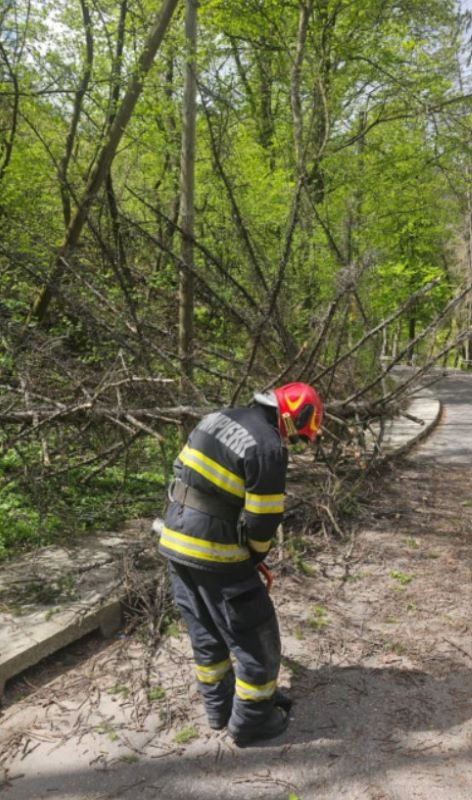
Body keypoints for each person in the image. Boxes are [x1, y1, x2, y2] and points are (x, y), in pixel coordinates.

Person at [157, 381, 323, 747]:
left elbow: (181, 469)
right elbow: (263, 521)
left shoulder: (217, 418)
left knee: (207, 636)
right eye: (298, 437)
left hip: (174, 543)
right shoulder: (267, 445)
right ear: (297, 417)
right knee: (258, 640)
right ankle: (251, 721)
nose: (293, 445)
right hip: (216, 555)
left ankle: (220, 709)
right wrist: (254, 558)